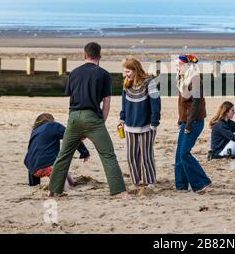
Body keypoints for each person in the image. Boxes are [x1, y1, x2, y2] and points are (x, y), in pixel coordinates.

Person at [48, 42, 129, 199]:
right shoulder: (104, 74)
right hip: (93, 118)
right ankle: (120, 191)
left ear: (84, 55)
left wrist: (77, 126)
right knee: (108, 155)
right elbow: (106, 102)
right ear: (99, 56)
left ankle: (53, 190)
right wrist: (100, 124)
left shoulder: (74, 73)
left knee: (64, 155)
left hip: (74, 117)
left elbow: (71, 100)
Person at [118, 58, 161, 189]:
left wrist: (154, 122)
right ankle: (136, 181)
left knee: (146, 155)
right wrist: (122, 118)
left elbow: (156, 104)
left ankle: (150, 181)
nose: (126, 74)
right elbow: (124, 105)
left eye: (128, 71)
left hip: (147, 125)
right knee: (131, 155)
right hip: (130, 126)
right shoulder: (126, 84)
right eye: (125, 72)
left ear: (135, 70)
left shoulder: (150, 83)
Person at [175, 54, 212, 194]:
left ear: (187, 66)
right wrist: (181, 120)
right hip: (186, 121)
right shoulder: (183, 79)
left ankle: (202, 182)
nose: (176, 68)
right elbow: (183, 105)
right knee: (179, 154)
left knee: (184, 153)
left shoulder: (195, 80)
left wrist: (189, 125)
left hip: (195, 122)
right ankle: (181, 186)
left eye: (179, 65)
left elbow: (196, 105)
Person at [24, 113, 89, 189]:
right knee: (63, 187)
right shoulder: (53, 126)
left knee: (66, 175)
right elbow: (72, 137)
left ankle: (71, 184)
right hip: (48, 165)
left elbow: (32, 153)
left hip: (32, 168)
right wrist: (84, 153)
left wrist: (33, 185)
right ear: (51, 120)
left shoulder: (34, 132)